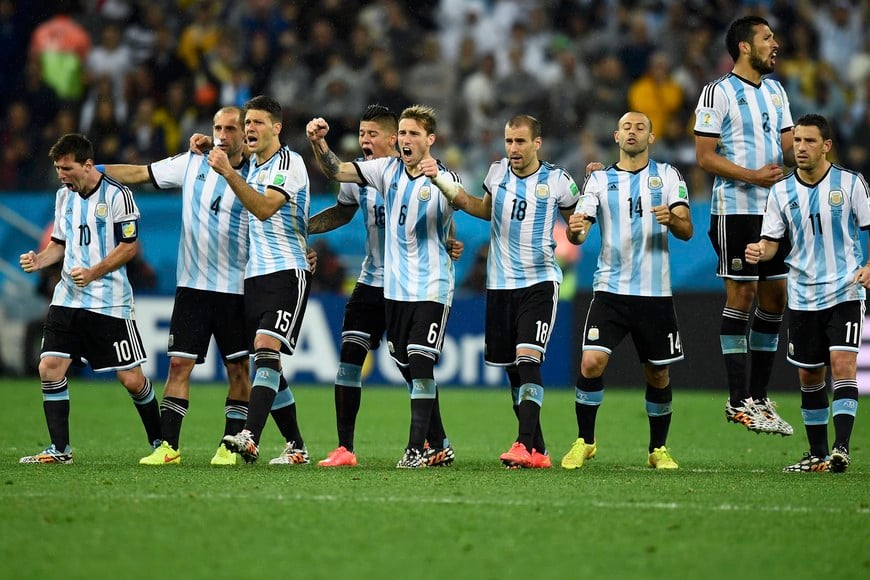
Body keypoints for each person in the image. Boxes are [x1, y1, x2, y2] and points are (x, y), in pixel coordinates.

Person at [306, 105, 461, 468]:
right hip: (376, 279)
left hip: (417, 285)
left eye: (372, 134)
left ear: (393, 138)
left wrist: (449, 239)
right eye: (361, 134)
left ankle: (432, 442)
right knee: (349, 357)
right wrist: (304, 226)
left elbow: (444, 210)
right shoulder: (371, 173)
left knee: (413, 364)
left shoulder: (424, 174)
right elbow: (342, 204)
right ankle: (345, 448)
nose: (364, 140)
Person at [101, 106, 252, 466]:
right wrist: (97, 170)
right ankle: (168, 447)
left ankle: (229, 447)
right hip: (193, 287)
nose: (222, 135)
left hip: (238, 288)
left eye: (230, 128)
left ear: (245, 133)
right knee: (179, 366)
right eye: (217, 127)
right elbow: (140, 172)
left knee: (239, 370)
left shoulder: (257, 173)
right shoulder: (192, 162)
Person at [438, 114, 579, 469]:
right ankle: (540, 451)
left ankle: (521, 443)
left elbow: (577, 230)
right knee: (513, 371)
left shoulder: (558, 180)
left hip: (539, 282)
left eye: (520, 141)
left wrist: (578, 230)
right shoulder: (496, 173)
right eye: (508, 141)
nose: (513, 148)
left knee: (527, 359)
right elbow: (482, 209)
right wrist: (443, 183)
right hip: (500, 284)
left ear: (537, 143)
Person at [19, 133, 161, 464]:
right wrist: (41, 260)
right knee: (50, 368)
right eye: (57, 168)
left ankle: (160, 441)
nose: (61, 175)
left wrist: (95, 272)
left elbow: (129, 247)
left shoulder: (119, 195)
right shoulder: (63, 197)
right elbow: (60, 243)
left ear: (87, 165)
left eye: (66, 168)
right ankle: (60, 450)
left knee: (131, 379)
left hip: (109, 301)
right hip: (68, 297)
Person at [562, 111, 693, 470]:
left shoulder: (667, 175)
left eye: (640, 128)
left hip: (654, 294)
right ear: (616, 136)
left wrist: (674, 219)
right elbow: (580, 231)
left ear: (651, 138)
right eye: (626, 127)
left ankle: (658, 449)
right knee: (591, 362)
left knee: (658, 374)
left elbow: (686, 229)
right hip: (611, 290)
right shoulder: (600, 180)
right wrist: (574, 230)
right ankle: (584, 441)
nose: (632, 132)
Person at [745, 114, 868, 473]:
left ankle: (841, 448)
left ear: (826, 146)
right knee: (809, 376)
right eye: (797, 140)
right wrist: (759, 250)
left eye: (809, 141)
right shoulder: (781, 191)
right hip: (801, 295)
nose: (800, 147)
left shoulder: (850, 184)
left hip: (845, 290)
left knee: (842, 366)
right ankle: (817, 455)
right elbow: (772, 242)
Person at [694, 15, 795, 436]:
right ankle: (737, 401)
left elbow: (790, 148)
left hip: (774, 210)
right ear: (744, 47)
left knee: (775, 297)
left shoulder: (775, 91)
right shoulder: (717, 92)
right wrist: (753, 176)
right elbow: (704, 155)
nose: (776, 44)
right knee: (744, 292)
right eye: (767, 38)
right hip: (735, 208)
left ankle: (757, 397)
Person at [206, 95, 312, 465]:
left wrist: (229, 173)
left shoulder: (290, 163)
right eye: (246, 123)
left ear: (277, 128)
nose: (249, 129)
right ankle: (296, 446)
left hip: (287, 272)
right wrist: (205, 145)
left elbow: (266, 209)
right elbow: (228, 150)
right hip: (255, 277)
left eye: (257, 123)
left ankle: (250, 435)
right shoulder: (252, 164)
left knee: (266, 348)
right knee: (269, 365)